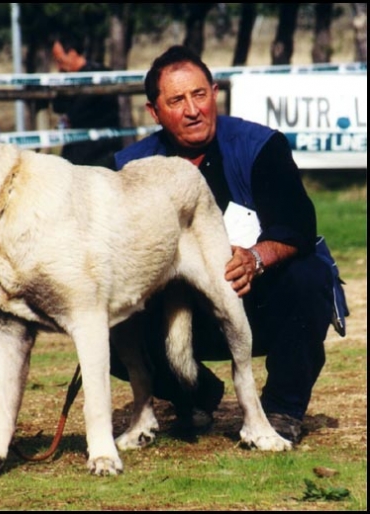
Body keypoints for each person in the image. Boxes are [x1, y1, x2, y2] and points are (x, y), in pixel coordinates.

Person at [111, 45, 338, 444]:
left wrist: (254, 259)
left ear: (214, 93)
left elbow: (298, 227)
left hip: (255, 303)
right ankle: (196, 394)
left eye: (199, 94)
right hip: (176, 314)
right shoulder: (130, 167)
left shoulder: (260, 145)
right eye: (177, 100)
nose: (193, 109)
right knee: (107, 319)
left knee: (310, 273)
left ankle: (282, 410)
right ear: (154, 111)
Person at [51, 34, 123, 168]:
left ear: (72, 53)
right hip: (79, 150)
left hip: (100, 152)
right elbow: (57, 106)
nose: (58, 67)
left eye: (60, 60)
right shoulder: (68, 80)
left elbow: (75, 113)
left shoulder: (100, 75)